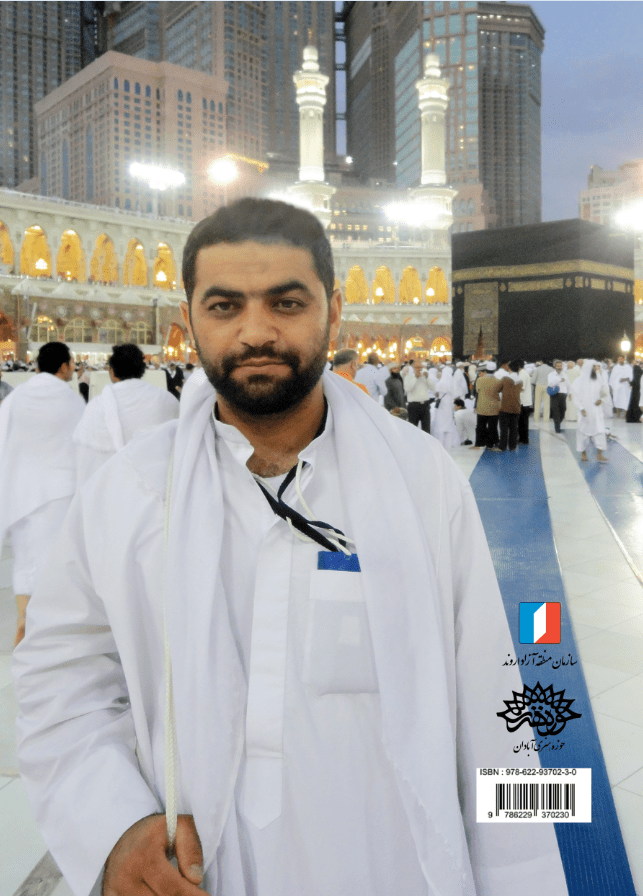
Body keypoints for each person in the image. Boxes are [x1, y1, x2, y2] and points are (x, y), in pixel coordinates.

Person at [13, 198, 567, 896]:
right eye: (224, 306)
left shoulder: (422, 481)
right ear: (189, 319)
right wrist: (112, 827)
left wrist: (527, 878)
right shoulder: (128, 492)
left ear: (332, 311)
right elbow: (59, 680)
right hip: (201, 873)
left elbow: (497, 701)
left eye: (286, 302)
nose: (255, 331)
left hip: (391, 869)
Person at [0, 341, 85, 646]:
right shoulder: (71, 400)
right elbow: (82, 443)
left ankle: (24, 616)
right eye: (71, 363)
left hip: (22, 490)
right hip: (60, 491)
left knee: (25, 558)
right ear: (63, 366)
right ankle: (48, 626)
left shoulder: (17, 396)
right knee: (56, 559)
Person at [73, 343, 180, 486]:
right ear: (142, 370)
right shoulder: (167, 400)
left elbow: (84, 455)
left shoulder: (96, 407)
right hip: (157, 488)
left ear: (111, 372)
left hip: (110, 487)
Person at [572, 359, 608, 463]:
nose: (596, 369)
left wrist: (601, 400)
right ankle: (583, 454)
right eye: (593, 367)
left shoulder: (598, 379)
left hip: (596, 410)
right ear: (588, 368)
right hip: (585, 411)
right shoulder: (579, 381)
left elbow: (604, 392)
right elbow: (575, 397)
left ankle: (599, 455)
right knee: (583, 433)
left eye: (596, 367)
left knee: (600, 432)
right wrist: (581, 408)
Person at [473, 362, 502, 451]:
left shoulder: (480, 380)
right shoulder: (498, 381)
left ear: (486, 370)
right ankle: (491, 445)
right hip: (494, 407)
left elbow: (477, 391)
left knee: (480, 426)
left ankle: (478, 444)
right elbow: (499, 391)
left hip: (482, 406)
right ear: (495, 370)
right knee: (492, 427)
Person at [431, 365, 460, 449]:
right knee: (448, 428)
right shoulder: (452, 384)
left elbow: (434, 392)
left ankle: (440, 446)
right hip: (449, 408)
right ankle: (448, 446)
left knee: (440, 427)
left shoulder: (440, 383)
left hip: (441, 407)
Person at [497, 362, 522, 451]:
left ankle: (502, 446)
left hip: (505, 406)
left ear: (509, 369)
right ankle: (512, 446)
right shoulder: (520, 380)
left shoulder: (505, 378)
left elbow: (498, 388)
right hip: (516, 406)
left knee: (504, 428)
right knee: (513, 428)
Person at [404, 359, 432, 432]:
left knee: (426, 430)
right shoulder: (408, 377)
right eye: (417, 367)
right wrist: (415, 378)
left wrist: (427, 378)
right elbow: (407, 389)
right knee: (412, 430)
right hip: (413, 406)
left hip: (425, 405)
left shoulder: (425, 376)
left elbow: (433, 387)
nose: (419, 369)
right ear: (413, 368)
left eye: (420, 367)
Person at [546, 360, 568, 434]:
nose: (559, 367)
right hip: (555, 394)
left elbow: (568, 384)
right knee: (556, 411)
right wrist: (559, 379)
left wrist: (569, 393)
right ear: (555, 367)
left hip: (563, 394)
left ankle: (558, 423)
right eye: (558, 366)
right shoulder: (551, 374)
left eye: (560, 366)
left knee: (563, 410)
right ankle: (557, 427)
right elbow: (550, 384)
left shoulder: (564, 374)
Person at [530, 359, 553, 424]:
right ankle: (546, 419)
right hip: (547, 386)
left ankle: (536, 418)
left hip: (539, 386)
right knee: (547, 403)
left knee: (537, 403)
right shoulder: (551, 369)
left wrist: (534, 383)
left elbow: (533, 380)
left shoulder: (537, 369)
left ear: (541, 362)